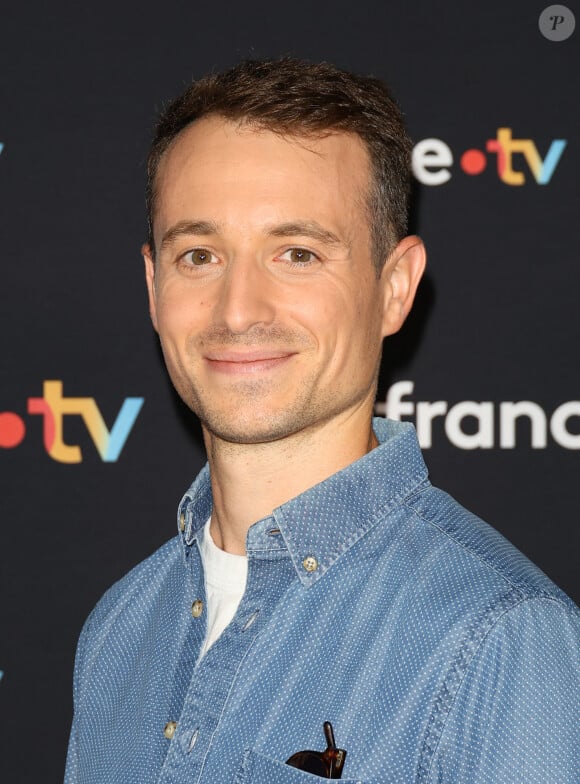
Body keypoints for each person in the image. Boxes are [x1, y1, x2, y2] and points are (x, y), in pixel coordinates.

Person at [64, 59, 579, 784]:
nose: (238, 309)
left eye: (297, 254)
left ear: (394, 288)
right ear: (153, 287)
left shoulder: (499, 638)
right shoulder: (118, 630)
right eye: (200, 255)